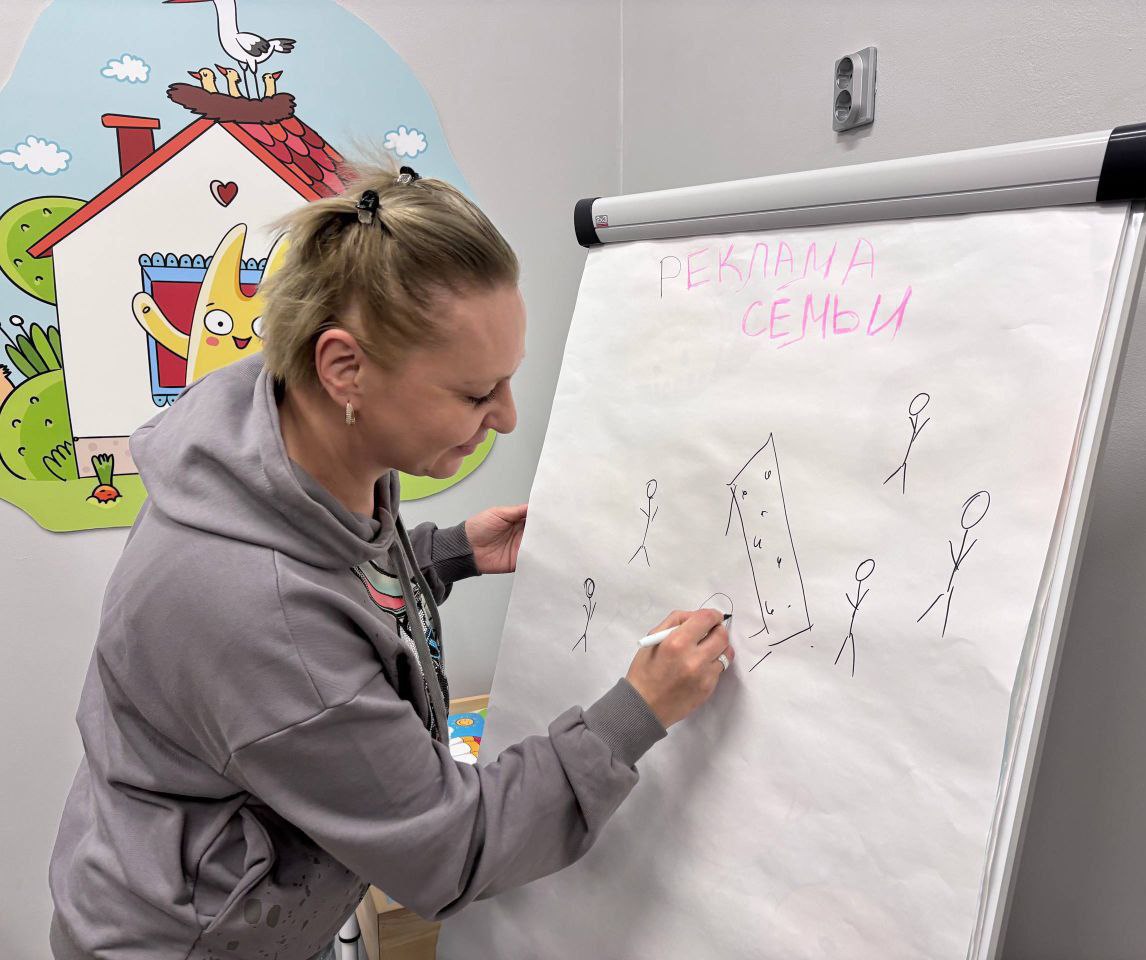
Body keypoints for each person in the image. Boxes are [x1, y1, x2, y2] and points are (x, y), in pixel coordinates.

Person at [48, 165, 735, 960]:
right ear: (345, 369)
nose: (508, 418)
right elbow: (453, 849)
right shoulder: (253, 611)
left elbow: (325, 576)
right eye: (476, 394)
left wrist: (445, 554)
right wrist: (636, 713)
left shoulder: (276, 437)